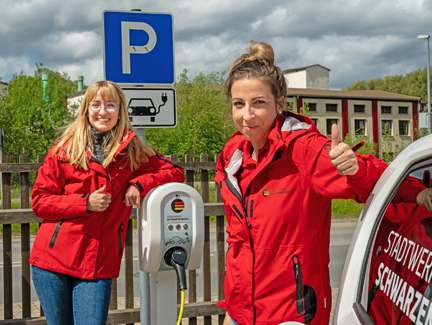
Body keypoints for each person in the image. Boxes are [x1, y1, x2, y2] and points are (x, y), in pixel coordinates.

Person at [214, 41, 432, 325]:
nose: (247, 115)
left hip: (291, 315)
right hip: (239, 312)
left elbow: (378, 178)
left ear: (279, 104)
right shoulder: (232, 157)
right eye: (239, 104)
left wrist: (415, 191)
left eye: (259, 103)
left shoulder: (303, 150)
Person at [29, 80, 185, 324]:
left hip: (97, 264)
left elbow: (175, 171)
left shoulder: (132, 151)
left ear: (120, 110)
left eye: (110, 105)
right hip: (52, 263)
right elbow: (40, 202)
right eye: (96, 104)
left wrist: (140, 183)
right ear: (86, 110)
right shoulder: (64, 149)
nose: (103, 111)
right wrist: (84, 203)